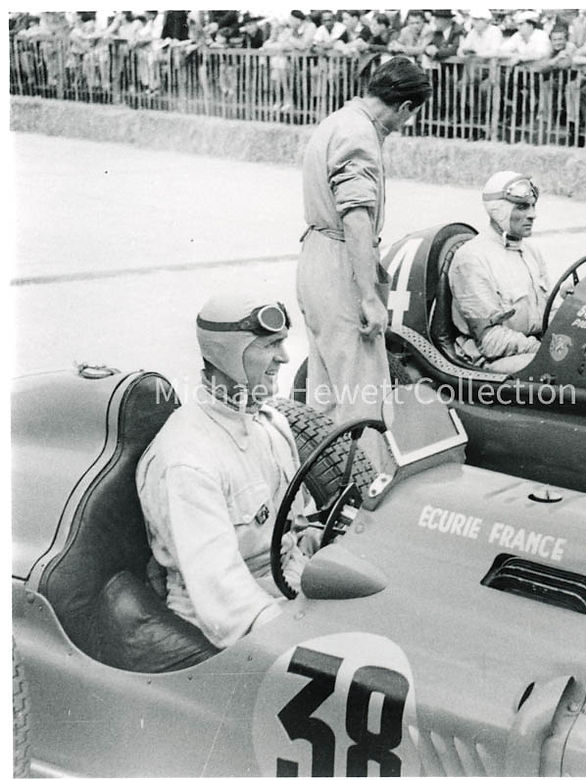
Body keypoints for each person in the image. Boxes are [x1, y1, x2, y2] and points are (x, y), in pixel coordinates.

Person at [136, 293, 311, 649]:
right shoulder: (187, 459)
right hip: (231, 622)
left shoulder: (270, 423)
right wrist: (298, 638)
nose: (284, 357)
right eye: (270, 345)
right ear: (230, 354)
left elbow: (301, 522)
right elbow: (222, 594)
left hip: (290, 582)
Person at [298, 57, 432, 422]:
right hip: (341, 263)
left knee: (325, 394)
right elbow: (356, 217)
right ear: (405, 107)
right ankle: (364, 462)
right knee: (364, 397)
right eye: (411, 115)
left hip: (316, 255)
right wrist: (370, 298)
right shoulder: (359, 134)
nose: (406, 123)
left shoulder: (338, 120)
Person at [448, 172, 550, 374]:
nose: (533, 214)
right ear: (499, 211)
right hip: (489, 360)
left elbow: (549, 311)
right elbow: (490, 340)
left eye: (533, 206)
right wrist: (544, 351)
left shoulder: (531, 252)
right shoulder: (472, 258)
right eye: (522, 207)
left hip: (531, 349)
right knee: (561, 372)